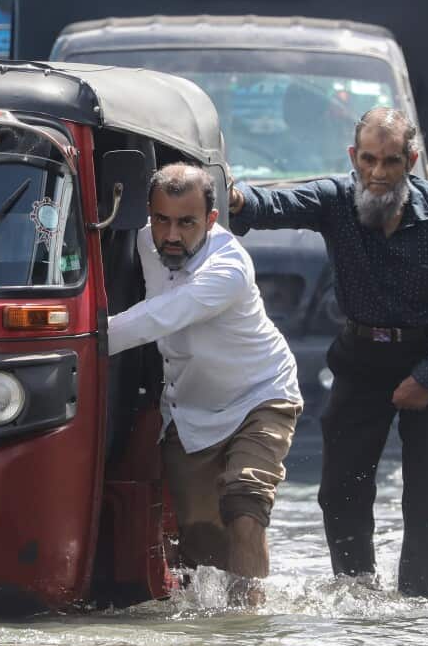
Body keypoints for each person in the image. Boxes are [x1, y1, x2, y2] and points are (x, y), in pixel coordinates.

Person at [227, 107, 428, 597]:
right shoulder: (336, 201)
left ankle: (419, 606)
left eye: (391, 162)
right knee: (341, 491)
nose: (378, 174)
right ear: (354, 157)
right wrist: (237, 197)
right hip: (362, 359)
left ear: (411, 161)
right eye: (368, 160)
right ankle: (357, 595)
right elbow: (273, 205)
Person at [108, 163, 302, 604]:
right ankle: (208, 643)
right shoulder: (142, 240)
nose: (171, 235)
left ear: (211, 221)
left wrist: (83, 338)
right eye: (162, 220)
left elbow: (162, 315)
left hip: (261, 394)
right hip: (189, 407)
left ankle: (248, 624)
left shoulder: (229, 267)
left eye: (186, 223)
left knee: (245, 504)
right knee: (198, 540)